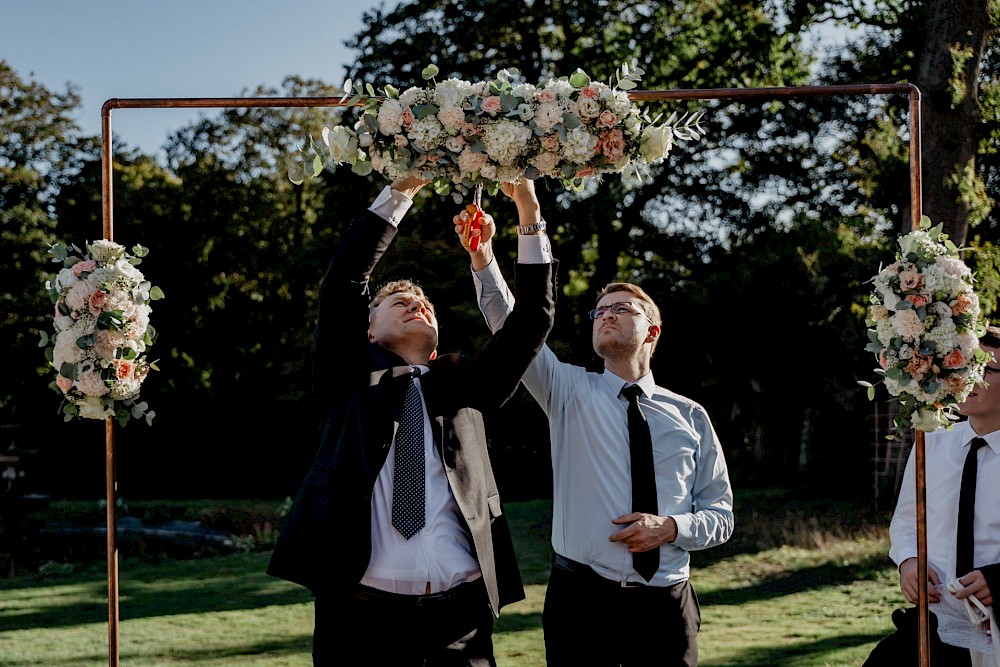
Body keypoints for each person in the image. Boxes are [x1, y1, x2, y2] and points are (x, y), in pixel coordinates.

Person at [267, 175, 557, 666]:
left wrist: (528, 210)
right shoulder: (347, 380)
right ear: (369, 332)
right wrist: (403, 188)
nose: (414, 304)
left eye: (423, 305)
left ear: (438, 337)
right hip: (359, 619)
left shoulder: (469, 385)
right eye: (395, 303)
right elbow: (343, 285)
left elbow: (533, 318)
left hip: (461, 619)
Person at [454, 194, 734, 667]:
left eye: (622, 308)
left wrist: (671, 527)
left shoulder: (691, 416)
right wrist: (485, 256)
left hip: (667, 607)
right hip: (580, 605)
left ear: (653, 331)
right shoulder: (567, 390)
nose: (606, 314)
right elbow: (513, 323)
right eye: (600, 311)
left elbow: (721, 516)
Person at [863, 326, 1000, 667]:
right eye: (964, 366)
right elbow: (908, 520)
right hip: (935, 625)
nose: (967, 378)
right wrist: (909, 561)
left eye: (985, 369)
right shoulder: (932, 441)